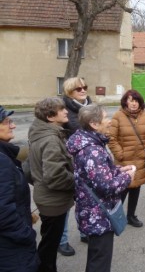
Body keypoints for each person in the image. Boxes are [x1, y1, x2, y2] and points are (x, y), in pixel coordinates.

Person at [66, 104, 134, 272]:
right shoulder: (92, 150)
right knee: (100, 262)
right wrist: (128, 177)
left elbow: (95, 175)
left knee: (97, 256)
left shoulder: (89, 143)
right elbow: (107, 186)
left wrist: (118, 170)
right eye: (105, 118)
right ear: (94, 124)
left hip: (92, 212)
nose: (109, 121)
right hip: (98, 215)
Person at [28, 98, 75, 271]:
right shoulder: (51, 139)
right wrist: (77, 180)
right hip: (53, 201)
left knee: (48, 240)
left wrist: (38, 181)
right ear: (50, 117)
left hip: (47, 197)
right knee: (50, 244)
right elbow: (55, 177)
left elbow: (30, 167)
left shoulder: (40, 133)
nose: (66, 111)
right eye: (61, 109)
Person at [108, 89, 145, 228]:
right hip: (124, 161)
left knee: (136, 188)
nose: (134, 104)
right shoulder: (118, 116)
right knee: (122, 190)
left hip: (141, 159)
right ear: (125, 102)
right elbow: (111, 138)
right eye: (131, 101)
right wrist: (120, 154)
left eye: (136, 101)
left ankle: (131, 216)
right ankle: (115, 217)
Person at [0, 106, 39, 272]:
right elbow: (3, 212)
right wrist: (25, 234)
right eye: (7, 122)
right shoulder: (2, 161)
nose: (13, 126)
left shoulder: (6, 154)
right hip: (11, 248)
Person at [59, 77, 92, 254]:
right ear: (70, 92)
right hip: (70, 160)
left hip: (88, 160)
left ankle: (83, 231)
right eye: (78, 89)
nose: (83, 90)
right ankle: (62, 239)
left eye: (84, 87)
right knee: (65, 202)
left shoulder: (90, 106)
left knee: (84, 199)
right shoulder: (63, 110)